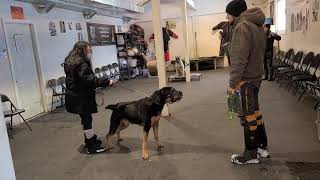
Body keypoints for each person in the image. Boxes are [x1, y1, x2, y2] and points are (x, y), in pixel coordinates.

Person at [226, 0, 269, 165]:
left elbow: (238, 58)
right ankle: (262, 148)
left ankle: (250, 154)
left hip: (246, 79)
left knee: (248, 115)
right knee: (256, 113)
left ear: (235, 13)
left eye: (228, 13)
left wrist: (233, 82)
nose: (227, 16)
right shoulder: (256, 24)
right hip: (256, 76)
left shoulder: (242, 26)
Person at [64, 41, 113, 154]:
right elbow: (90, 80)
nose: (90, 52)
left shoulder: (70, 61)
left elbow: (80, 80)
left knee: (86, 119)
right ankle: (91, 146)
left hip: (74, 96)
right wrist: (107, 81)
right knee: (87, 120)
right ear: (82, 50)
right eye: (88, 50)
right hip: (80, 97)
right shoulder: (81, 63)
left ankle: (90, 139)